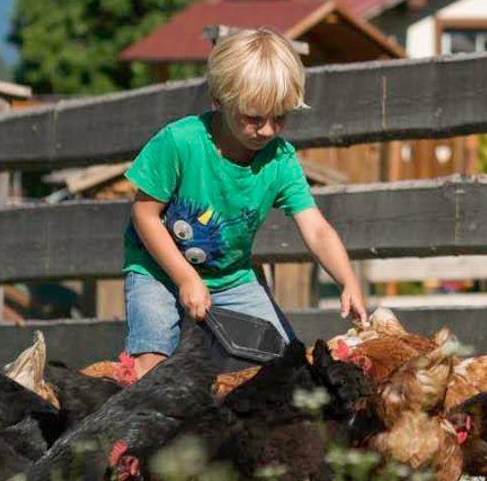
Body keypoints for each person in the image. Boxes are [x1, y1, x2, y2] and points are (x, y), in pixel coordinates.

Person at [122, 27, 367, 375]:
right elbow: (144, 215)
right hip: (157, 271)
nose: (267, 130)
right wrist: (186, 278)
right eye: (254, 118)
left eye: (279, 117)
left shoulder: (279, 160)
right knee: (152, 363)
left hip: (232, 277)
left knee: (287, 365)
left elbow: (316, 228)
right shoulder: (180, 142)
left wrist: (347, 280)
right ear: (219, 100)